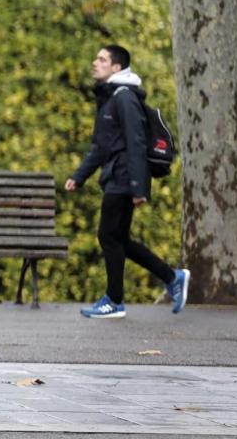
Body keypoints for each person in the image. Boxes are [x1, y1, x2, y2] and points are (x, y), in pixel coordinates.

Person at [66, 44, 190, 319]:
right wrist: (79, 176)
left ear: (116, 67)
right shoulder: (110, 99)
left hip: (124, 177)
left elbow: (136, 142)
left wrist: (138, 187)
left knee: (108, 235)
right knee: (119, 238)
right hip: (117, 175)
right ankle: (172, 276)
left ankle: (114, 300)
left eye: (101, 59)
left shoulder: (125, 98)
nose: (94, 63)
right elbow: (100, 147)